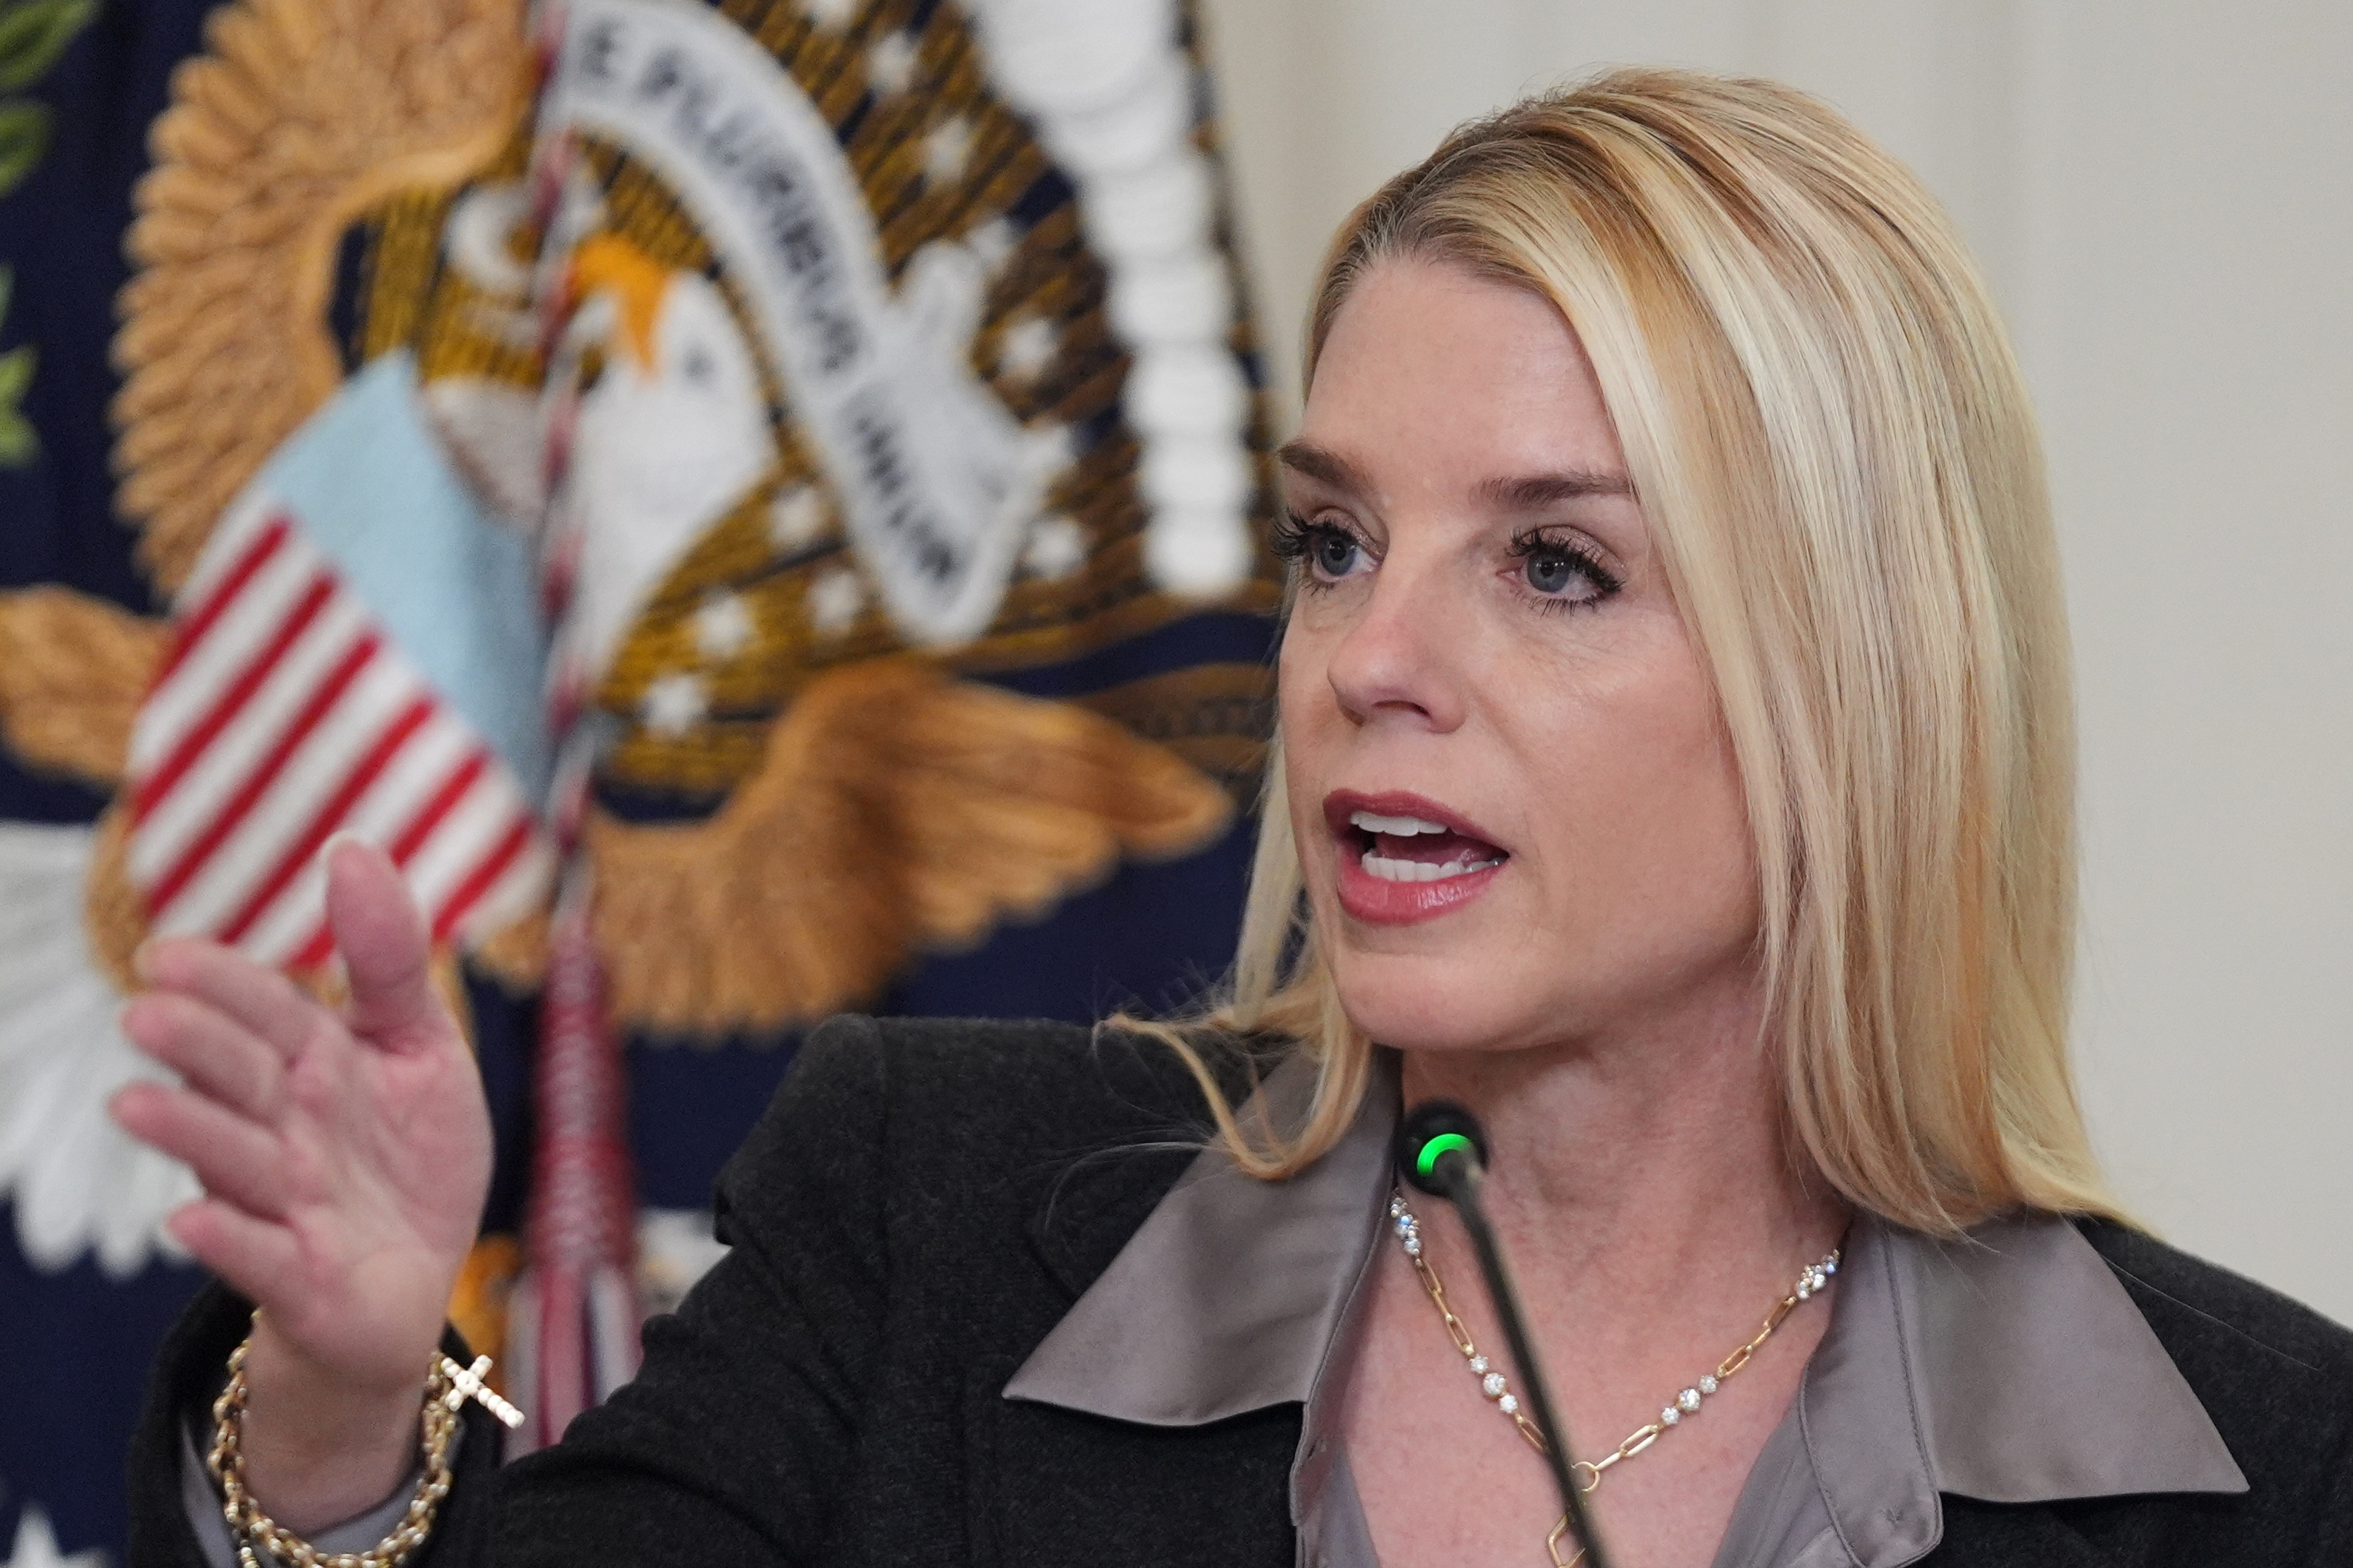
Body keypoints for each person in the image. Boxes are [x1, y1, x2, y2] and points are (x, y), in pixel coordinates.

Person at [113, 68, 2352, 1568]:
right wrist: (338, 1418)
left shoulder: (2276, 1477)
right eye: (1332, 542)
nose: (1371, 656)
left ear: (1856, 687)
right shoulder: (931, 1221)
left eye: (1553, 564)